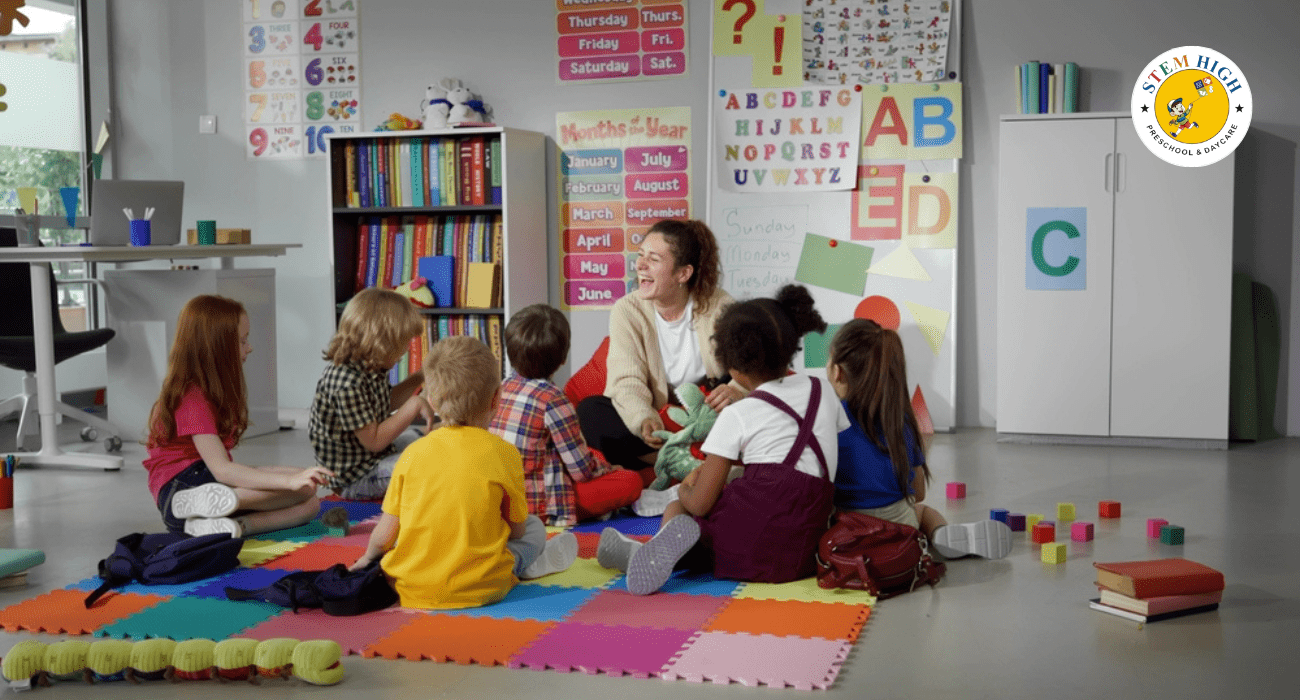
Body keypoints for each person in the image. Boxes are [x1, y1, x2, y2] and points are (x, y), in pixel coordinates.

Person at [598, 285, 847, 595]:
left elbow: (700, 503)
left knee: (678, 510)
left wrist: (687, 487)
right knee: (737, 497)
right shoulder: (821, 390)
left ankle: (646, 554)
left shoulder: (737, 414)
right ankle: (644, 553)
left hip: (747, 547)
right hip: (804, 550)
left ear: (733, 367)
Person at [349, 336, 578, 609]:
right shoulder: (504, 453)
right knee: (534, 527)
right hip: (485, 586)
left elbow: (384, 535)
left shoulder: (412, 454)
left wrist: (366, 560)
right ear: (497, 400)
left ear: (432, 402)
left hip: (411, 588)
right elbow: (517, 532)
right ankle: (524, 567)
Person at [145, 295, 330, 537]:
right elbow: (222, 469)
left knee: (310, 502)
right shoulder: (191, 396)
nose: (249, 347)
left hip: (203, 487)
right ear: (217, 347)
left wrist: (299, 474)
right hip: (180, 490)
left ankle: (232, 526)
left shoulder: (207, 390)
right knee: (301, 490)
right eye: (243, 341)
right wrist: (289, 482)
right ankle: (219, 502)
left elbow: (227, 469)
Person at [827, 318, 1011, 559]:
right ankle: (942, 534)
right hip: (900, 526)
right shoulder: (900, 421)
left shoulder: (829, 420)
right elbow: (919, 492)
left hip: (847, 530)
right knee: (923, 511)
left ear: (837, 372)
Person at [577, 218, 745, 479]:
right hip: (659, 419)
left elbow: (751, 368)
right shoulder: (627, 310)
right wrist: (643, 419)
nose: (640, 265)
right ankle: (679, 460)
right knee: (591, 411)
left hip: (708, 415)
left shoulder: (720, 306)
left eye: (653, 259)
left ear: (682, 274)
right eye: (641, 255)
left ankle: (678, 461)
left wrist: (735, 390)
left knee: (751, 401)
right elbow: (626, 380)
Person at [489, 304, 644, 527]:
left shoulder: (502, 387)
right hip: (538, 506)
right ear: (563, 359)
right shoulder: (553, 400)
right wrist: (610, 470)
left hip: (502, 500)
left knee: (593, 455)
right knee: (630, 481)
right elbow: (581, 471)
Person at [309, 288, 427, 500]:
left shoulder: (370, 366)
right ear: (382, 342)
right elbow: (374, 441)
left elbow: (384, 403)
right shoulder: (346, 382)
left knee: (429, 442)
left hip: (373, 458)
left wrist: (420, 376)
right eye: (403, 343)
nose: (406, 350)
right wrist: (413, 405)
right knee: (426, 465)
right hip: (356, 479)